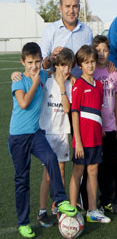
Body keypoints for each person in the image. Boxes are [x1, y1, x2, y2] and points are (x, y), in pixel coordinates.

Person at [9, 42, 77, 238]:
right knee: (22, 180)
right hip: (18, 137)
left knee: (51, 159)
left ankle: (60, 200)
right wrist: (33, 80)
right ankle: (23, 223)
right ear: (23, 62)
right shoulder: (19, 80)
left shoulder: (44, 76)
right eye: (30, 62)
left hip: (36, 133)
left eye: (37, 61)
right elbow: (23, 103)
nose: (34, 65)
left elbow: (58, 74)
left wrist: (70, 76)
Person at [69, 45, 110, 223]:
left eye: (92, 61)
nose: (90, 65)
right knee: (78, 172)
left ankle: (92, 210)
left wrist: (100, 127)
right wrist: (77, 141)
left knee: (93, 171)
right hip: (82, 140)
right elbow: (75, 113)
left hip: (95, 138)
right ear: (80, 65)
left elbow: (97, 109)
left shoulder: (99, 85)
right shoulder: (78, 85)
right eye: (86, 63)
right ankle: (71, 211)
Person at [37, 48, 75, 227]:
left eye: (69, 66)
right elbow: (36, 72)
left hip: (62, 132)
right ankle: (42, 211)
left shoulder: (68, 84)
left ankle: (58, 204)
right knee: (47, 174)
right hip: (47, 132)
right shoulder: (47, 80)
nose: (66, 70)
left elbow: (67, 109)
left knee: (60, 171)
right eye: (63, 66)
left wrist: (62, 87)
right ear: (56, 66)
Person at [92, 36, 117, 214]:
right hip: (97, 128)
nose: (101, 54)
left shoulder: (113, 72)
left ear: (109, 52)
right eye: (98, 51)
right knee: (99, 166)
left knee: (112, 164)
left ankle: (111, 199)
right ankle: (98, 200)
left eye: (105, 50)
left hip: (112, 127)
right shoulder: (92, 71)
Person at [40, 0, 93, 78]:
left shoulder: (87, 32)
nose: (71, 11)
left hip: (81, 88)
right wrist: (51, 58)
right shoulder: (49, 30)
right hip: (57, 88)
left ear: (79, 7)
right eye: (67, 6)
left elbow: (93, 59)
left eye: (75, 6)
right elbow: (42, 65)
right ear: (60, 8)